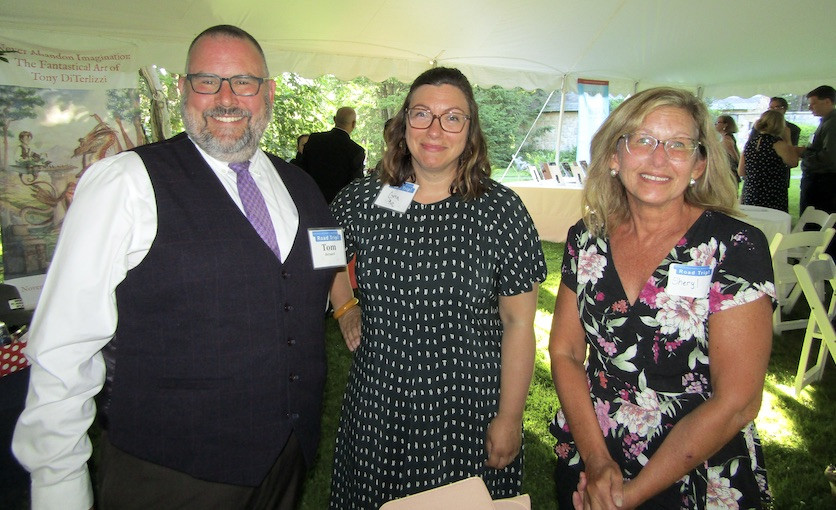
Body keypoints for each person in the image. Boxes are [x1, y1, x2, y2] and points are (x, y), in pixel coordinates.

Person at [13, 25, 342, 510]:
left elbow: (307, 285)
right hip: (171, 474)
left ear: (267, 92)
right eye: (207, 81)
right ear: (183, 89)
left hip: (286, 461)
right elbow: (64, 346)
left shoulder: (300, 186)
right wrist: (58, 484)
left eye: (243, 82)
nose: (226, 98)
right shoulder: (124, 183)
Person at [327, 67, 547, 509]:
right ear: (404, 121)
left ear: (470, 129)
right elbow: (323, 252)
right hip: (380, 399)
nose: (434, 129)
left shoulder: (501, 211)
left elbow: (519, 322)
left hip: (467, 405)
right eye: (422, 114)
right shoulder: (363, 198)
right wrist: (345, 306)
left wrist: (509, 417)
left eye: (452, 118)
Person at [549, 87, 775, 509]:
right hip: (593, 453)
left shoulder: (735, 245)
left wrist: (630, 496)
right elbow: (563, 350)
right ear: (614, 156)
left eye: (678, 145)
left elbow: (738, 402)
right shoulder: (587, 238)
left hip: (694, 467)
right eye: (643, 140)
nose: (658, 159)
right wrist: (598, 463)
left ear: (699, 163)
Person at [300, 106, 365, 203]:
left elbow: (301, 169)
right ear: (354, 124)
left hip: (310, 200)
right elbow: (355, 185)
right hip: (338, 205)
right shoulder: (356, 151)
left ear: (334, 119)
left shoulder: (315, 140)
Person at [739, 110, 799, 212]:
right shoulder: (778, 144)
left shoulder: (750, 143)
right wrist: (788, 140)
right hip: (772, 193)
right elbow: (793, 162)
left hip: (751, 190)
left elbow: (741, 171)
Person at [797, 85, 836, 215]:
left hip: (823, 184)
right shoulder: (826, 122)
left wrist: (804, 154)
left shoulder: (832, 124)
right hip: (820, 182)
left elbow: (830, 157)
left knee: (815, 220)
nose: (810, 107)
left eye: (814, 103)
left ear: (827, 102)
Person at [714, 114, 740, 184]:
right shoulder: (723, 137)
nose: (715, 124)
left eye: (718, 122)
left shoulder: (727, 139)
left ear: (725, 125)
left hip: (728, 173)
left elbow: (735, 158)